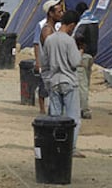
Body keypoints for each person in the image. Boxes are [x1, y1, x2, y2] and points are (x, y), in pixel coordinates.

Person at [42, 10, 85, 158]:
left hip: (54, 81)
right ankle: (70, 147)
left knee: (55, 117)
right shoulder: (69, 41)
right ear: (72, 25)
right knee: (73, 118)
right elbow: (75, 62)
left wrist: (47, 80)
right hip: (69, 81)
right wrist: (80, 52)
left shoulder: (50, 39)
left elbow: (45, 63)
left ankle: (55, 145)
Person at [33, 0, 63, 114]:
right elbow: (41, 45)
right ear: (51, 13)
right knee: (46, 89)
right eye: (59, 12)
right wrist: (38, 61)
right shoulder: (44, 28)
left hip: (52, 66)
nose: (61, 14)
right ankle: (43, 110)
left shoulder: (56, 27)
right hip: (48, 67)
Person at [73, 2, 98, 119]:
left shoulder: (83, 23)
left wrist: (80, 48)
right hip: (92, 55)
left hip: (83, 55)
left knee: (81, 83)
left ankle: (84, 109)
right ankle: (84, 105)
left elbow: (78, 35)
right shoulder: (94, 21)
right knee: (86, 83)